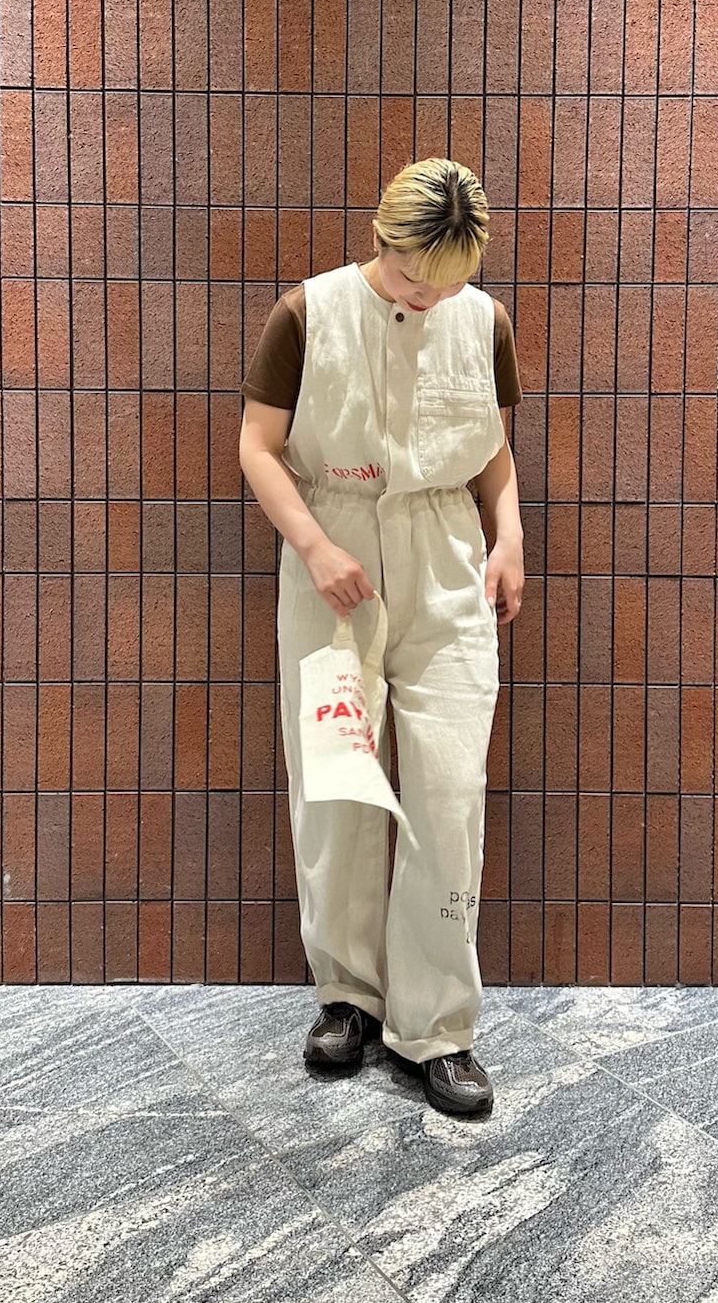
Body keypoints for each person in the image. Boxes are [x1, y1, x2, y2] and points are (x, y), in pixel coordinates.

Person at [238, 158, 524, 1117]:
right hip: (337, 552)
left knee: (448, 793)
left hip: (446, 561)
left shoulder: (483, 321)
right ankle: (347, 997)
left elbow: (492, 449)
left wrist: (509, 535)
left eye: (446, 279)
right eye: (410, 274)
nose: (426, 295)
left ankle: (436, 1026)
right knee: (338, 788)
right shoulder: (307, 312)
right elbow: (257, 444)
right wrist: (314, 545)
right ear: (380, 235)